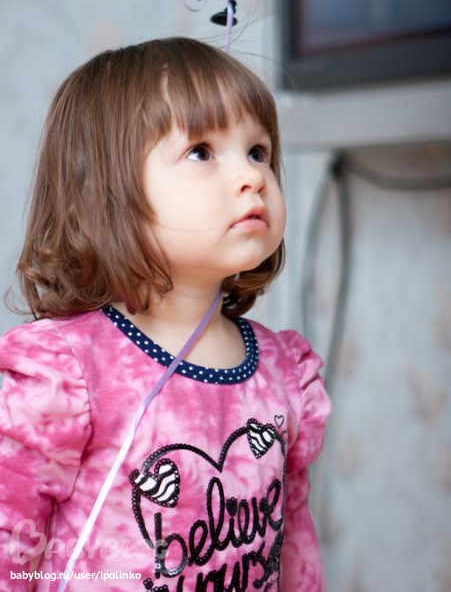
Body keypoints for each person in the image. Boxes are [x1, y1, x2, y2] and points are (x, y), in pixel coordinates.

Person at [0, 37, 331, 591]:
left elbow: (293, 541)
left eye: (258, 152)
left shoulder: (283, 370)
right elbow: (10, 542)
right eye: (201, 152)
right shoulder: (68, 374)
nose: (253, 176)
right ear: (101, 194)